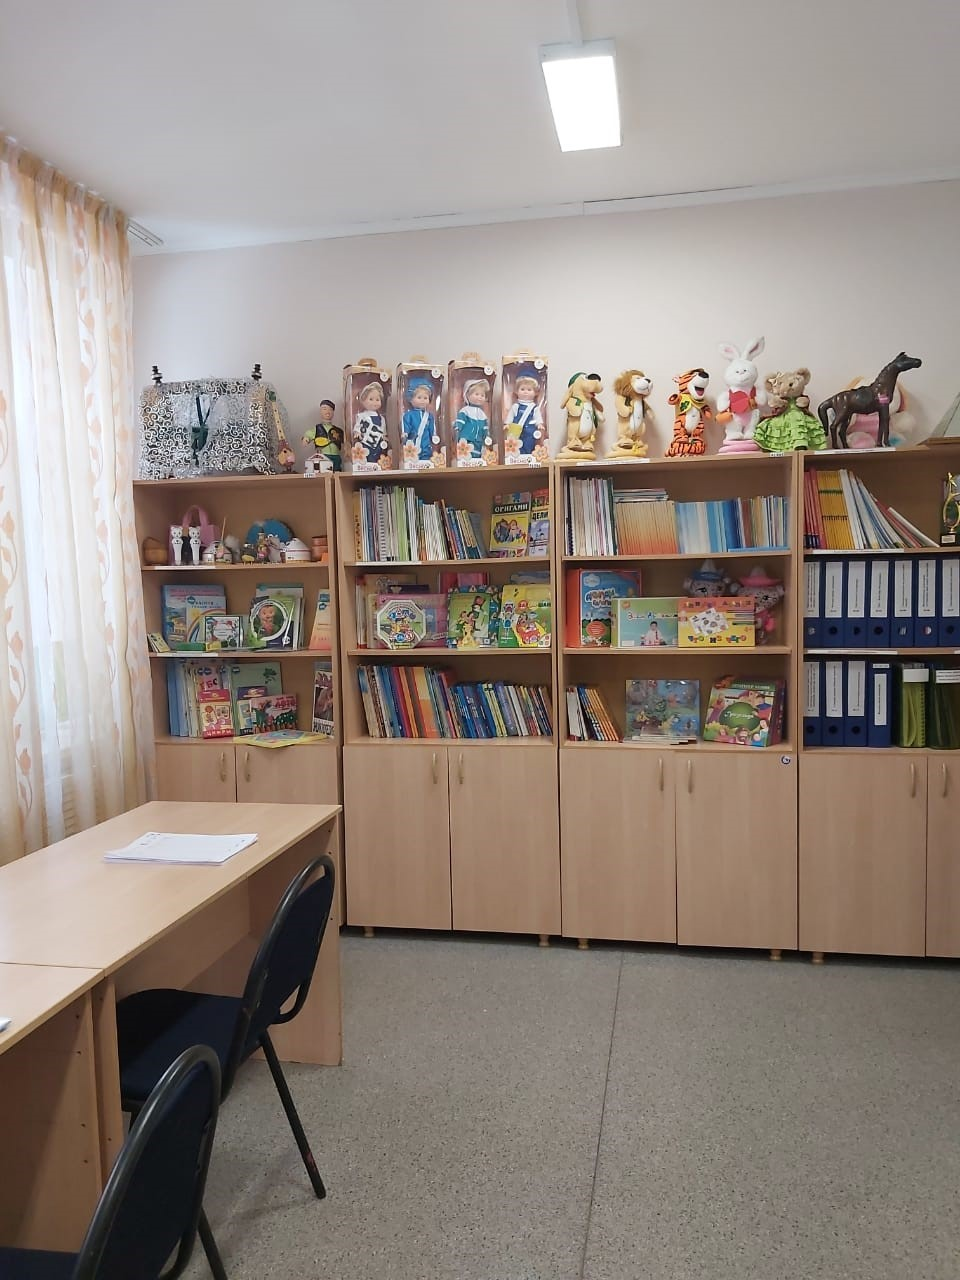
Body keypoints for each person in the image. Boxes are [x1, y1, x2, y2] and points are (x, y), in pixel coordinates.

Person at [504, 366, 544, 455]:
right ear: (516, 391)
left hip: (530, 432)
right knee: (516, 445)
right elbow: (510, 416)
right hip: (516, 431)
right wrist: (507, 424)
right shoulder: (516, 406)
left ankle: (528, 454)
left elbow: (537, 417)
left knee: (529, 444)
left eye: (529, 390)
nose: (525, 392)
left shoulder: (534, 407)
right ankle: (518, 456)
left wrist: (539, 424)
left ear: (535, 392)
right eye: (522, 389)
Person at [400, 377, 438, 462]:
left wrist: (434, 436)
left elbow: (432, 428)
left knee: (426, 454)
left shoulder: (429, 416)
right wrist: (405, 434)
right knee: (412, 456)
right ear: (411, 399)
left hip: (426, 442)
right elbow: (406, 425)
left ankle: (426, 459)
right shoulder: (409, 415)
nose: (422, 401)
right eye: (419, 397)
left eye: (425, 398)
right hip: (412, 442)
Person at [453, 378, 491, 460]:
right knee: (466, 453)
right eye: (476, 394)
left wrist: (486, 435)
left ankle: (476, 460)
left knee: (477, 453)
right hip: (466, 438)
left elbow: (485, 426)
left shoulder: (482, 414)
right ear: (467, 395)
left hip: (479, 439)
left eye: (482, 395)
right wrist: (457, 428)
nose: (479, 397)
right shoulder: (465, 410)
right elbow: (460, 421)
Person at [353, 382, 390, 466]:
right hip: (365, 441)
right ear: (363, 400)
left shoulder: (381, 418)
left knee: (378, 454)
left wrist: (384, 436)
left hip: (378, 442)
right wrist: (357, 432)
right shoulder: (362, 416)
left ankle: (376, 464)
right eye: (371, 399)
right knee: (365, 453)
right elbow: (358, 426)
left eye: (377, 400)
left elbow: (383, 429)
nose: (374, 402)